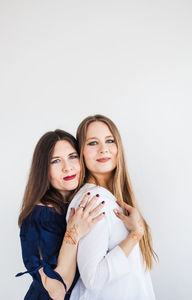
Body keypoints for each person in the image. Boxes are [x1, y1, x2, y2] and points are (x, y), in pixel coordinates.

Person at [66, 115, 158, 300]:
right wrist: (135, 235)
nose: (104, 149)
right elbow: (93, 279)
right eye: (93, 143)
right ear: (81, 152)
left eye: (110, 140)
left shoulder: (111, 198)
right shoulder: (93, 200)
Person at [16, 129, 106, 300]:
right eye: (56, 161)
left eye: (72, 156)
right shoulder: (39, 217)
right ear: (43, 169)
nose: (68, 167)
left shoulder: (79, 202)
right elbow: (57, 291)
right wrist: (73, 233)